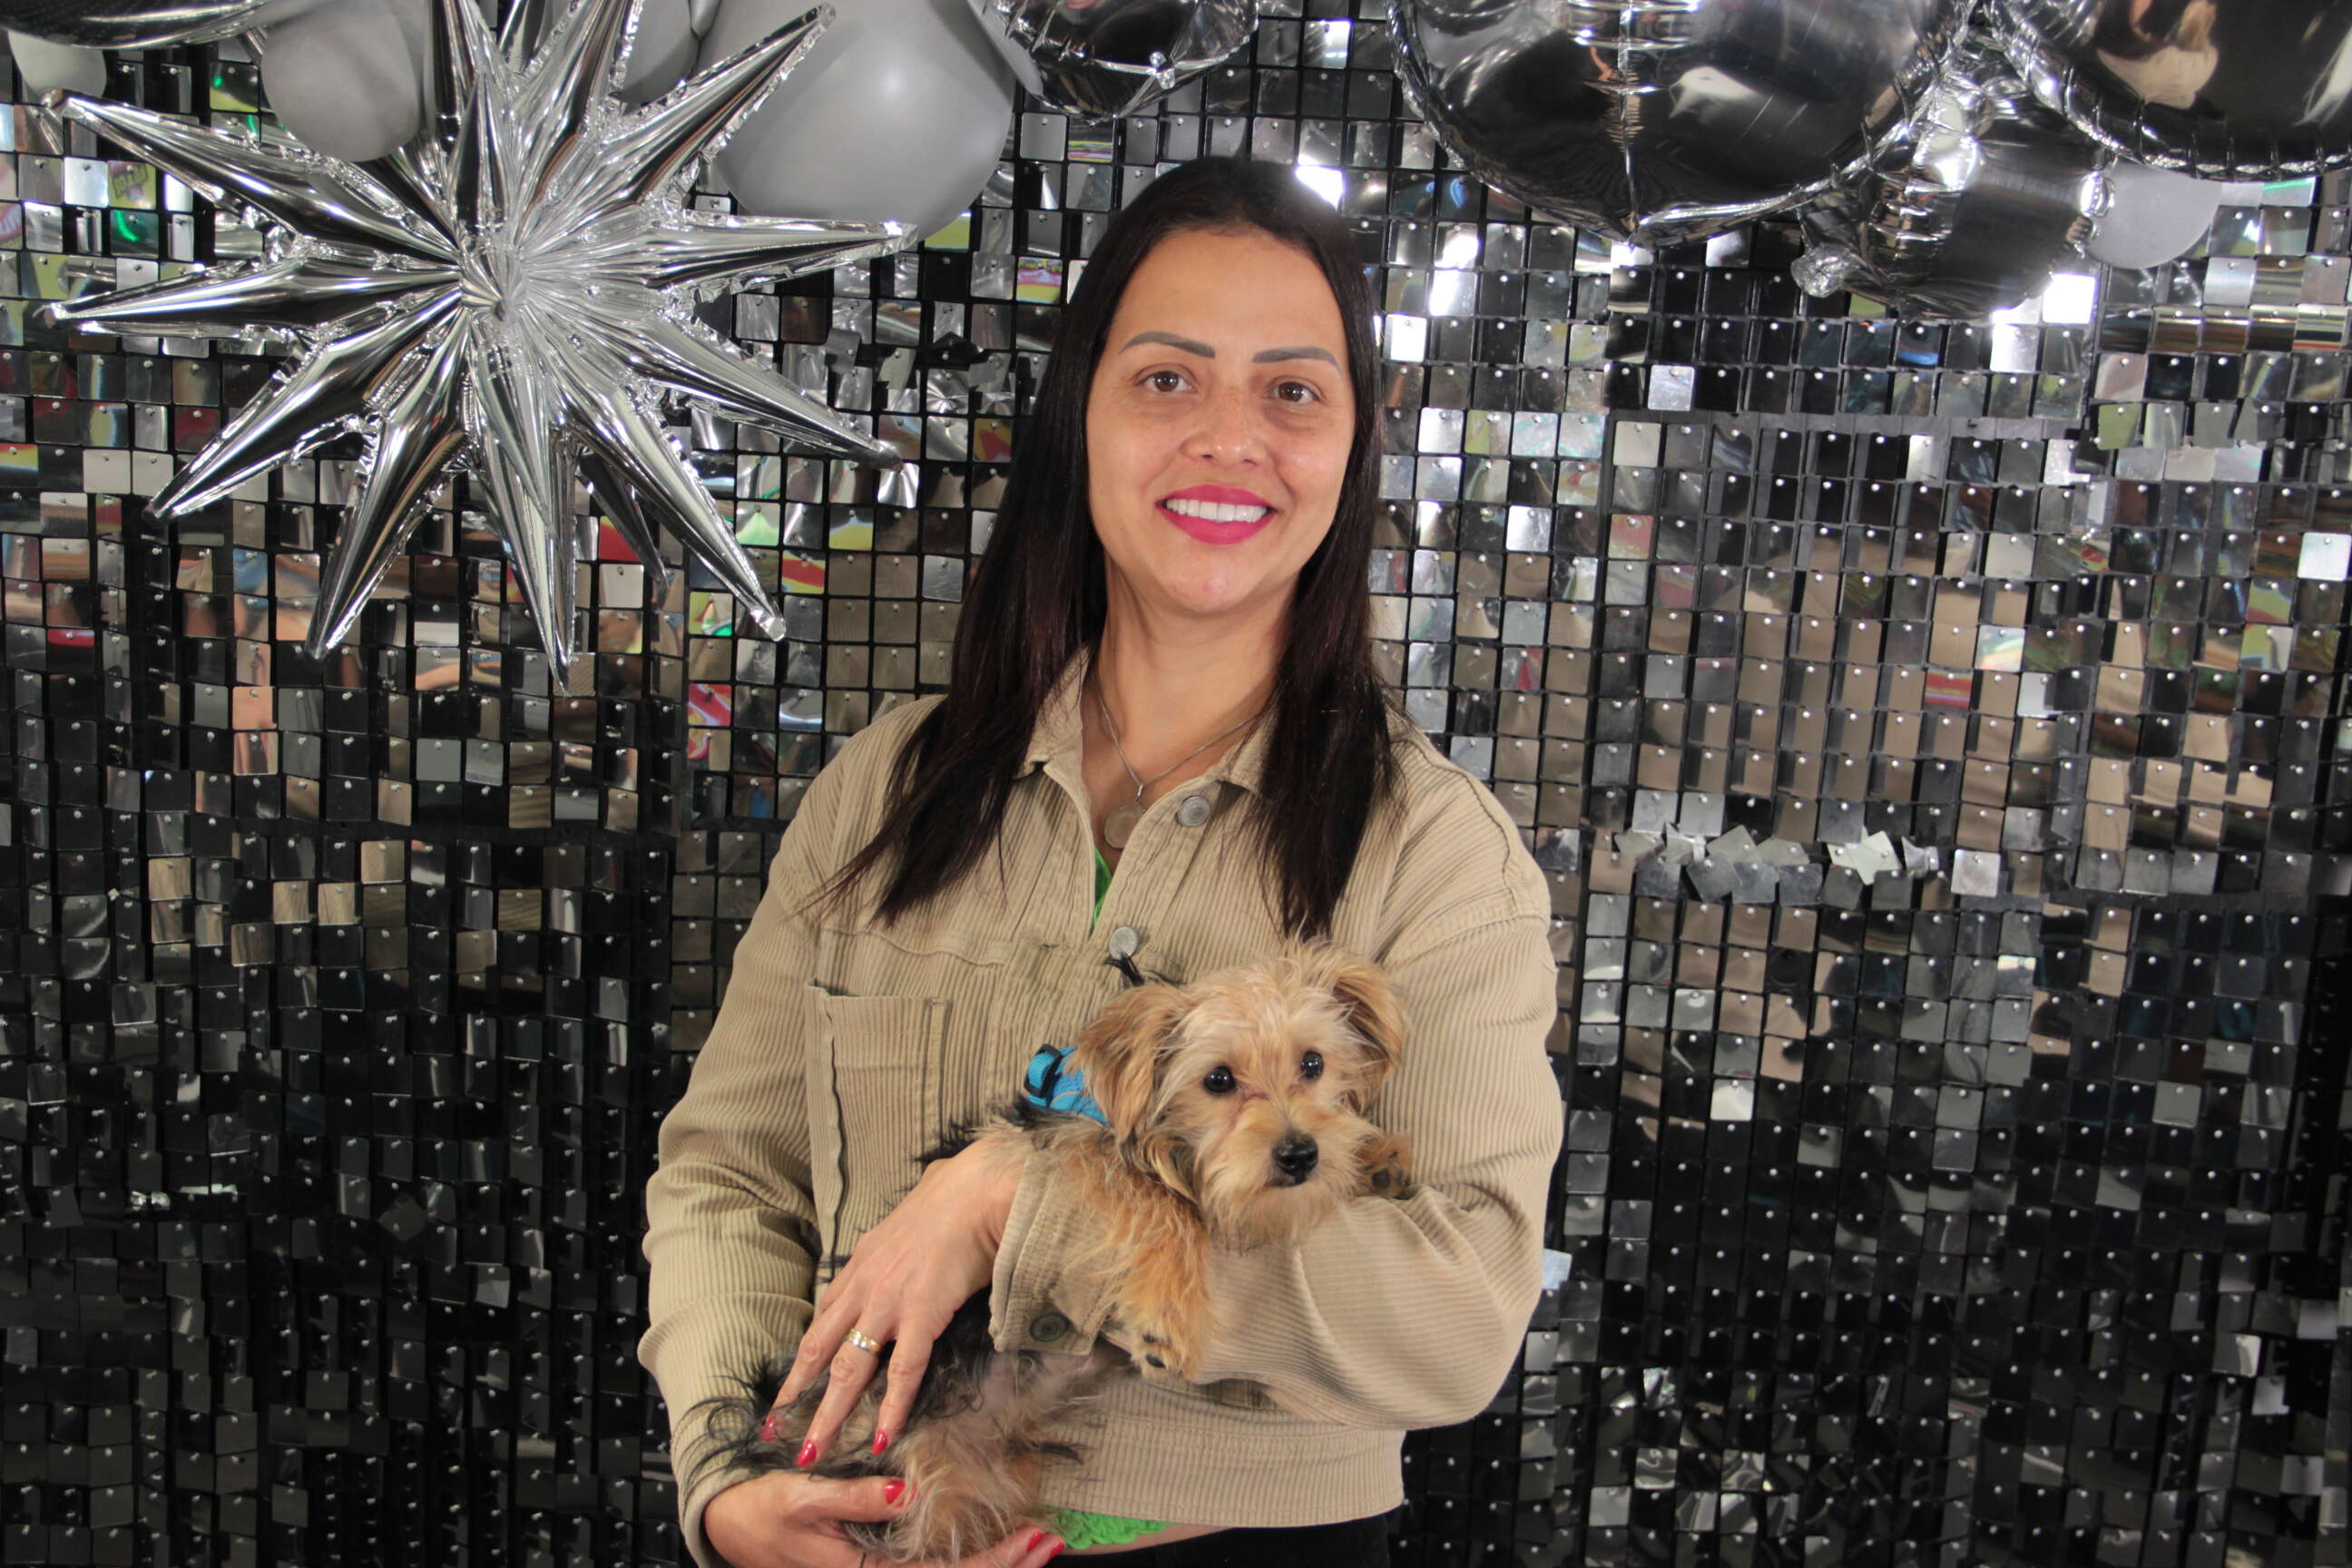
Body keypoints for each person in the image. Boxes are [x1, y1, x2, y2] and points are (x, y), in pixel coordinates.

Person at [638, 154, 1563, 1568]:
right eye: (1168, 379)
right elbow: (731, 1173)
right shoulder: (885, 794)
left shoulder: (1434, 855)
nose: (1230, 439)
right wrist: (725, 1479)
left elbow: (1463, 1322)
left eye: (1293, 391)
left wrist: (1028, 1202)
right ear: (1082, 416)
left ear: (1353, 444)